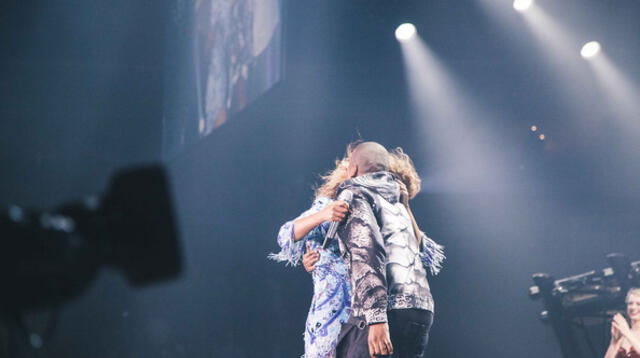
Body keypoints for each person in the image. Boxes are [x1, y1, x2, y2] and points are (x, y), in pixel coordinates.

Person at [270, 143, 443, 358]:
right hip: (335, 313)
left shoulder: (390, 209)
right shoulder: (336, 203)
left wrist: (405, 206)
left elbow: (423, 252)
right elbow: (285, 234)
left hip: (368, 310)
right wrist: (324, 215)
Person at [335, 142, 437, 358]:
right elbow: (419, 249)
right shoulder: (398, 199)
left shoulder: (354, 191)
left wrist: (376, 317)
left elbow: (367, 251)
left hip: (386, 309)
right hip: (420, 309)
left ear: (352, 169)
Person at [605, 288, 640, 358]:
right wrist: (614, 341)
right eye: (630, 303)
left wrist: (627, 333)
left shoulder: (626, 333)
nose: (633, 307)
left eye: (638, 304)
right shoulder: (622, 335)